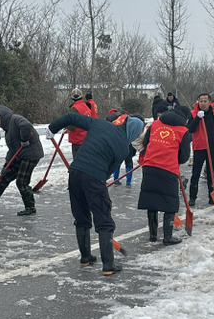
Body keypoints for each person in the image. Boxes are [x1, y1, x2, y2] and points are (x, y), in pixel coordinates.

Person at [46, 111, 145, 275]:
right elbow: (109, 172)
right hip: (94, 178)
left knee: (81, 216)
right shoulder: (123, 148)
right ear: (133, 132)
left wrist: (52, 128)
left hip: (75, 173)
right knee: (103, 219)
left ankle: (86, 257)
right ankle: (108, 265)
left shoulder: (99, 123)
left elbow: (71, 117)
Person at [138, 107, 191, 245]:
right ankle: (167, 237)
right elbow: (184, 157)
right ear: (185, 118)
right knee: (170, 203)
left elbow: (146, 142)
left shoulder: (155, 124)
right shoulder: (183, 131)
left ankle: (153, 235)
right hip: (168, 169)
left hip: (149, 166)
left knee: (151, 199)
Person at [0, 105, 43, 216]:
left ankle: (30, 207)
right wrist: (6, 166)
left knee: (21, 181)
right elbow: (12, 150)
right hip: (20, 155)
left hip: (31, 154)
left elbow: (26, 126)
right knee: (6, 175)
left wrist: (24, 139)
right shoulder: (8, 130)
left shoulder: (16, 119)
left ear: (1, 117)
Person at [187, 94, 214, 206]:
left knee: (211, 173)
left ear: (209, 102)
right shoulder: (193, 114)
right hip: (199, 147)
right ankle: (193, 196)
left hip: (212, 147)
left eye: (205, 101)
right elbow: (190, 129)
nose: (202, 103)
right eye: (200, 101)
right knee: (196, 173)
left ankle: (211, 195)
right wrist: (197, 118)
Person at [106, 109, 136, 187]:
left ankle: (116, 180)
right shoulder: (124, 120)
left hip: (117, 144)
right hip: (127, 141)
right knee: (129, 162)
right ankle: (128, 182)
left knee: (117, 162)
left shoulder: (109, 123)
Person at [66, 88, 94, 155]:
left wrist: (65, 125)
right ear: (81, 96)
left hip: (78, 140)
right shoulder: (86, 107)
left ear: (71, 98)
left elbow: (71, 126)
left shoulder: (75, 109)